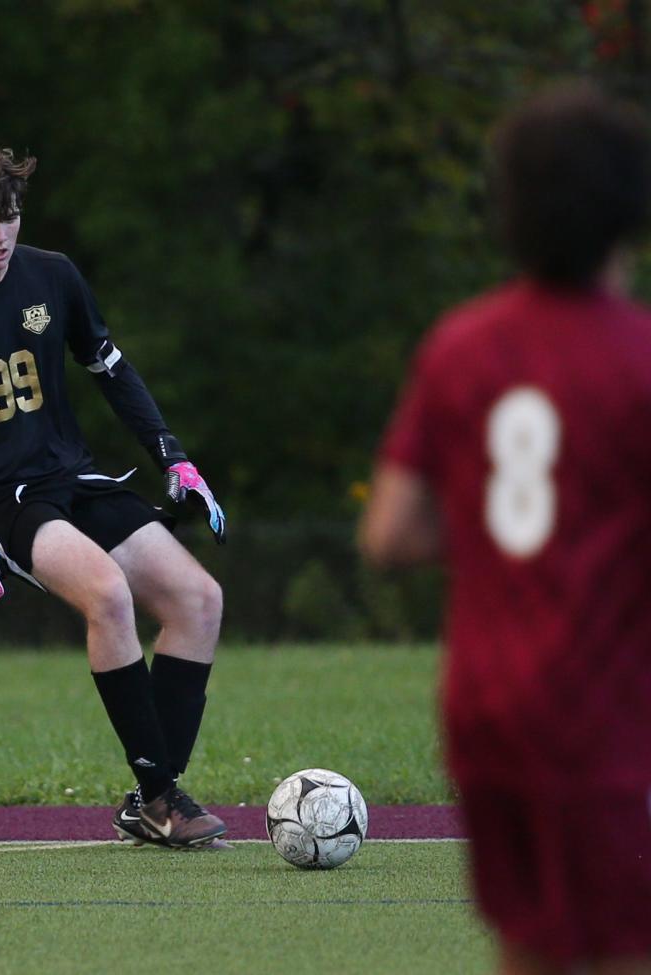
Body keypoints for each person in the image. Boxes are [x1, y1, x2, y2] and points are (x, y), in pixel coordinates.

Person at [359, 82, 651, 975]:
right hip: (601, 715)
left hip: (486, 712)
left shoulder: (460, 346)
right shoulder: (637, 360)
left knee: (527, 946)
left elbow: (390, 536)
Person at [0, 144, 228, 849]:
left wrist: (174, 454)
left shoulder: (53, 275)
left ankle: (151, 795)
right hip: (2, 499)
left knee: (199, 599)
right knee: (107, 593)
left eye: (9, 215)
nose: (1, 233)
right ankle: (162, 796)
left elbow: (107, 364)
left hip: (74, 478)